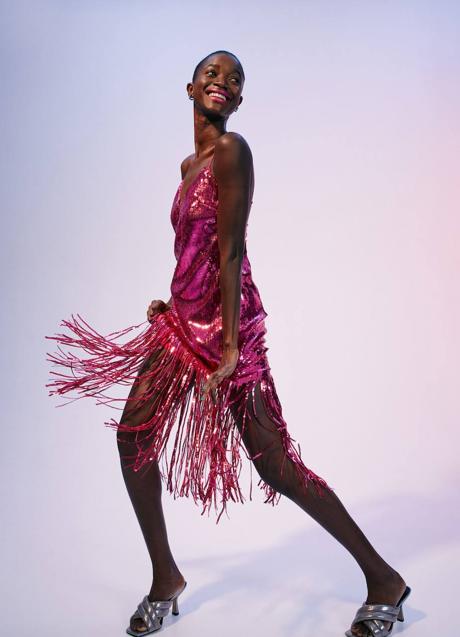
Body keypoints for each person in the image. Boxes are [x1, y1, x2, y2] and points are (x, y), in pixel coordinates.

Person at [45, 50, 411, 637]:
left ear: (239, 100)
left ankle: (384, 580)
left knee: (276, 469)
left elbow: (233, 249)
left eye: (234, 79)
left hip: (228, 332)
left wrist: (234, 346)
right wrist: (173, 302)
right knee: (133, 437)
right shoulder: (188, 164)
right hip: (182, 326)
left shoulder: (233, 150)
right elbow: (193, 248)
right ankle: (165, 578)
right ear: (189, 87)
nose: (222, 82)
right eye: (212, 74)